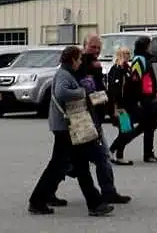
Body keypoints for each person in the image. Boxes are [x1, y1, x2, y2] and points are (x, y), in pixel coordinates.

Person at [27, 45, 113, 217]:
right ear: (73, 59)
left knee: (75, 165)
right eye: (79, 59)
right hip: (66, 128)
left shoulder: (64, 73)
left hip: (65, 127)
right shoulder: (64, 75)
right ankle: (38, 200)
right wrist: (81, 91)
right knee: (63, 166)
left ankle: (93, 203)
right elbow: (61, 92)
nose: (80, 62)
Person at [71, 34, 131, 204]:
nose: (96, 51)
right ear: (84, 46)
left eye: (98, 48)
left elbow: (103, 92)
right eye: (92, 47)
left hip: (98, 116)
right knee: (68, 160)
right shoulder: (79, 65)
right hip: (82, 119)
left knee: (100, 156)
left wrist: (112, 111)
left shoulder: (98, 67)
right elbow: (88, 91)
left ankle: (108, 190)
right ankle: (46, 192)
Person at [109, 36, 157, 163]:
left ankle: (118, 154)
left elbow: (143, 81)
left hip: (134, 102)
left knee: (141, 126)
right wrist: (139, 99)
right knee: (128, 129)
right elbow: (134, 83)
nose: (127, 56)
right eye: (123, 54)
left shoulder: (128, 67)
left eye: (128, 54)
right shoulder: (120, 69)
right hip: (124, 105)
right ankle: (113, 150)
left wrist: (153, 92)